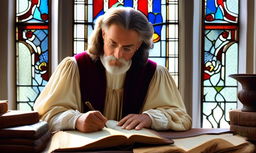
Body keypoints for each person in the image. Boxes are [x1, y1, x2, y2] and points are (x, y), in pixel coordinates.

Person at [34, 7, 192, 133]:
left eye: (127, 48)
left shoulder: (155, 73)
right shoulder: (74, 67)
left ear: (138, 45)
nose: (118, 55)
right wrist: (76, 120)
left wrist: (150, 118)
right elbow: (44, 115)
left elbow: (181, 118)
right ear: (103, 34)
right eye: (113, 43)